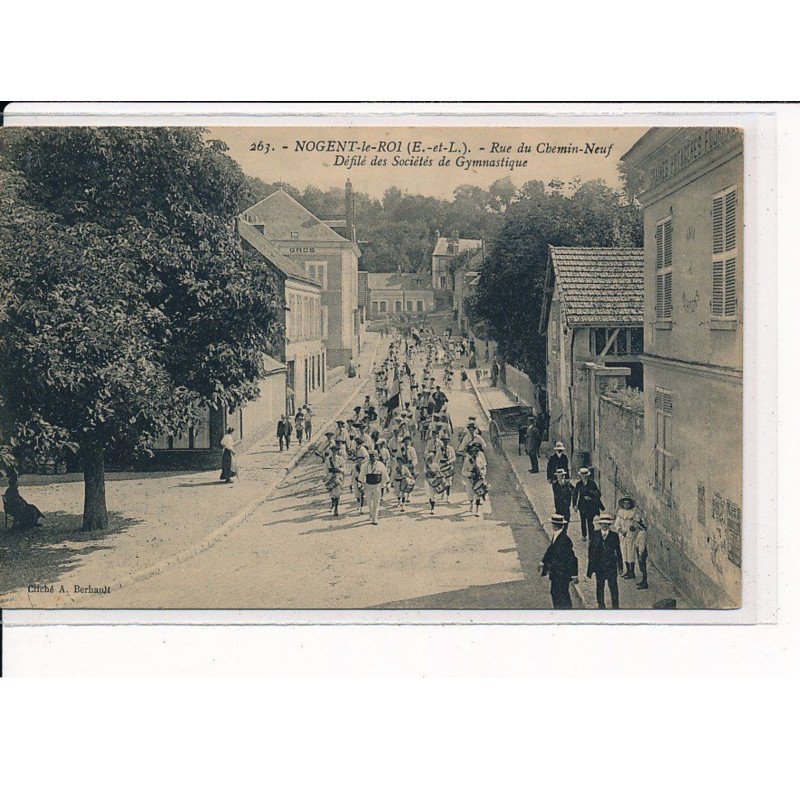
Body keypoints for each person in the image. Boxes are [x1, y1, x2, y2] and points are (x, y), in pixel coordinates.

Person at [540, 513, 579, 609]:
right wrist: (543, 562)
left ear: (554, 525)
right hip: (557, 572)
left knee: (561, 595)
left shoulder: (564, 539)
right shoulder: (557, 535)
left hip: (562, 573)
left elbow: (572, 558)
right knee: (557, 593)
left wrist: (574, 575)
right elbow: (551, 550)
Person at [587, 512, 624, 609]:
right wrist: (590, 568)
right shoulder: (595, 534)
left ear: (609, 525)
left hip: (611, 565)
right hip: (599, 566)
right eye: (602, 523)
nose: (604, 525)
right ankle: (601, 605)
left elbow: (618, 551)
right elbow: (590, 552)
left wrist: (620, 567)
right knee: (600, 586)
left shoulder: (614, 536)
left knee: (613, 586)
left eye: (606, 523)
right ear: (600, 524)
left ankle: (615, 606)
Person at [614, 496, 646, 582]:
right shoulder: (620, 514)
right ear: (623, 505)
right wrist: (621, 531)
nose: (626, 505)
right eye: (625, 504)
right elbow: (617, 525)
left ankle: (632, 572)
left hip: (631, 536)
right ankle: (627, 571)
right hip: (623, 536)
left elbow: (638, 525)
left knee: (631, 553)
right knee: (624, 553)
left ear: (630, 505)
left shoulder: (634, 514)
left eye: (628, 504)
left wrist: (634, 528)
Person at [359, 451, 390, 525]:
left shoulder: (380, 465)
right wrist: (360, 485)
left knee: (376, 502)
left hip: (377, 485)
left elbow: (385, 475)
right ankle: (371, 513)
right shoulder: (365, 465)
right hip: (368, 485)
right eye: (371, 456)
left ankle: (375, 518)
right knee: (369, 502)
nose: (372, 458)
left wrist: (387, 485)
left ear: (377, 456)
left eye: (374, 456)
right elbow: (362, 475)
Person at [572, 467, 603, 541]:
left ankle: (591, 536)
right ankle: (584, 535)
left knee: (590, 522)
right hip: (582, 506)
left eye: (586, 475)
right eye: (583, 476)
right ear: (581, 476)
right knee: (583, 521)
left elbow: (598, 494)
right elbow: (575, 495)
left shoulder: (592, 483)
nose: (585, 477)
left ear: (588, 476)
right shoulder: (578, 484)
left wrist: (591, 498)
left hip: (591, 506)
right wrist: (574, 505)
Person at [462, 442, 487, 517]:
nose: (475, 453)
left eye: (477, 451)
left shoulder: (480, 460)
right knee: (470, 494)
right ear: (471, 452)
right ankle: (471, 504)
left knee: (478, 494)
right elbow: (463, 471)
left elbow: (484, 468)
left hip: (478, 480)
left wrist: (482, 473)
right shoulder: (468, 460)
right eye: (474, 451)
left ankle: (477, 510)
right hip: (470, 480)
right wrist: (470, 474)